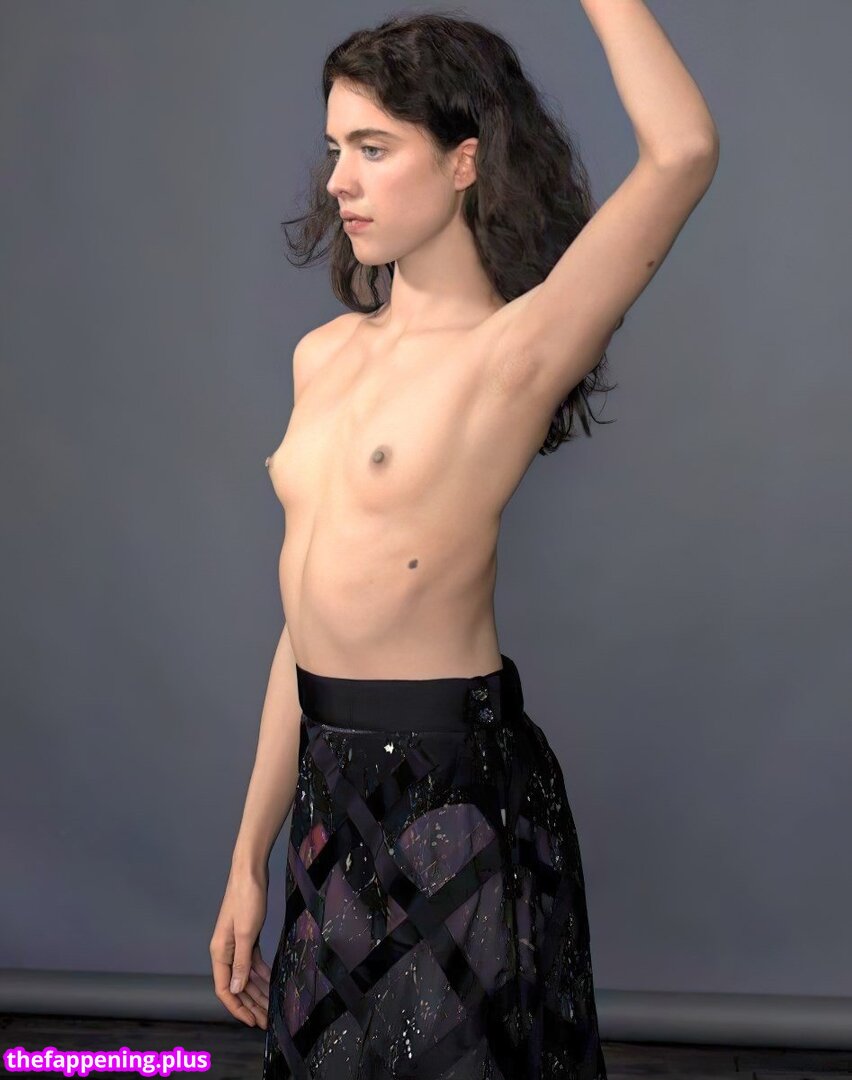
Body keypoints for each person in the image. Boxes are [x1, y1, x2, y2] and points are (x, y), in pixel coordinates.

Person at [209, 4, 719, 1077]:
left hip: (453, 794)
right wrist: (247, 857)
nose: (339, 181)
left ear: (463, 163)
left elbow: (681, 152)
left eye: (374, 148)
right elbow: (305, 622)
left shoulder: (510, 355)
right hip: (327, 790)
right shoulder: (322, 356)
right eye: (335, 148)